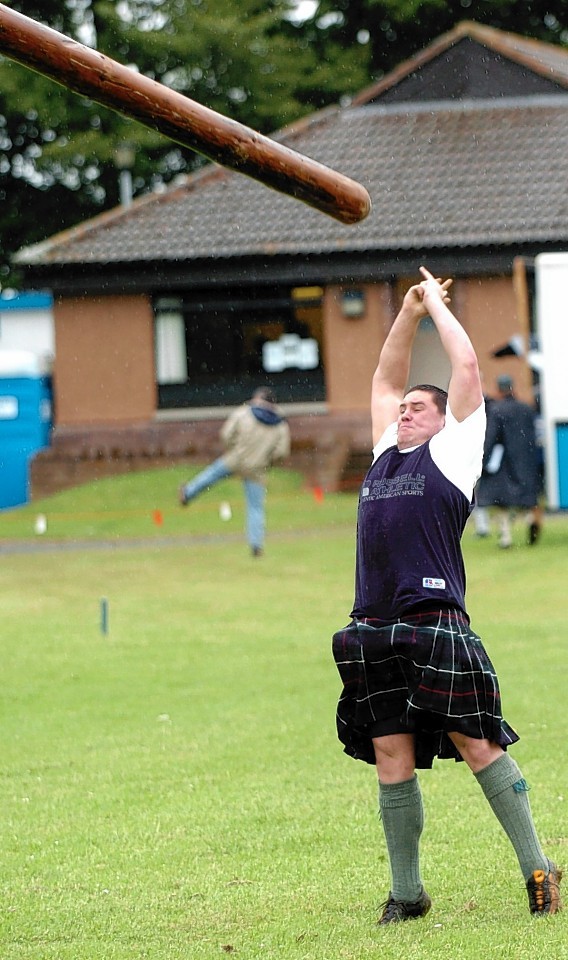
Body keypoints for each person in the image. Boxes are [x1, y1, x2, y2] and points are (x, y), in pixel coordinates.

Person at [331, 267, 562, 924]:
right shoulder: (385, 452)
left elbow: (465, 365)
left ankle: (539, 868)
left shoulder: (454, 452)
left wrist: (435, 304)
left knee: (476, 742)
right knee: (389, 751)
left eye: (416, 407)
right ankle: (407, 894)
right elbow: (382, 378)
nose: (404, 410)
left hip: (433, 620)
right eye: (402, 408)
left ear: (442, 420)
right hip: (372, 623)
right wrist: (405, 314)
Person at [178, 387, 290, 556]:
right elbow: (281, 452)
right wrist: (266, 461)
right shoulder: (280, 424)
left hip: (236, 458)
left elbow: (226, 434)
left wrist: (234, 450)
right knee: (255, 507)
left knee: (210, 475)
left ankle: (187, 493)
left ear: (257, 398)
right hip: (257, 467)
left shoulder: (244, 413)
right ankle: (256, 545)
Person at [475, 374, 542, 548]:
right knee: (526, 498)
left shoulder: (496, 410)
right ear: (513, 387)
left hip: (503, 462)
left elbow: (490, 437)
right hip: (525, 461)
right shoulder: (526, 408)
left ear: (498, 389)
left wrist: (483, 459)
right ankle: (529, 520)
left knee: (501, 502)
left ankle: (506, 537)